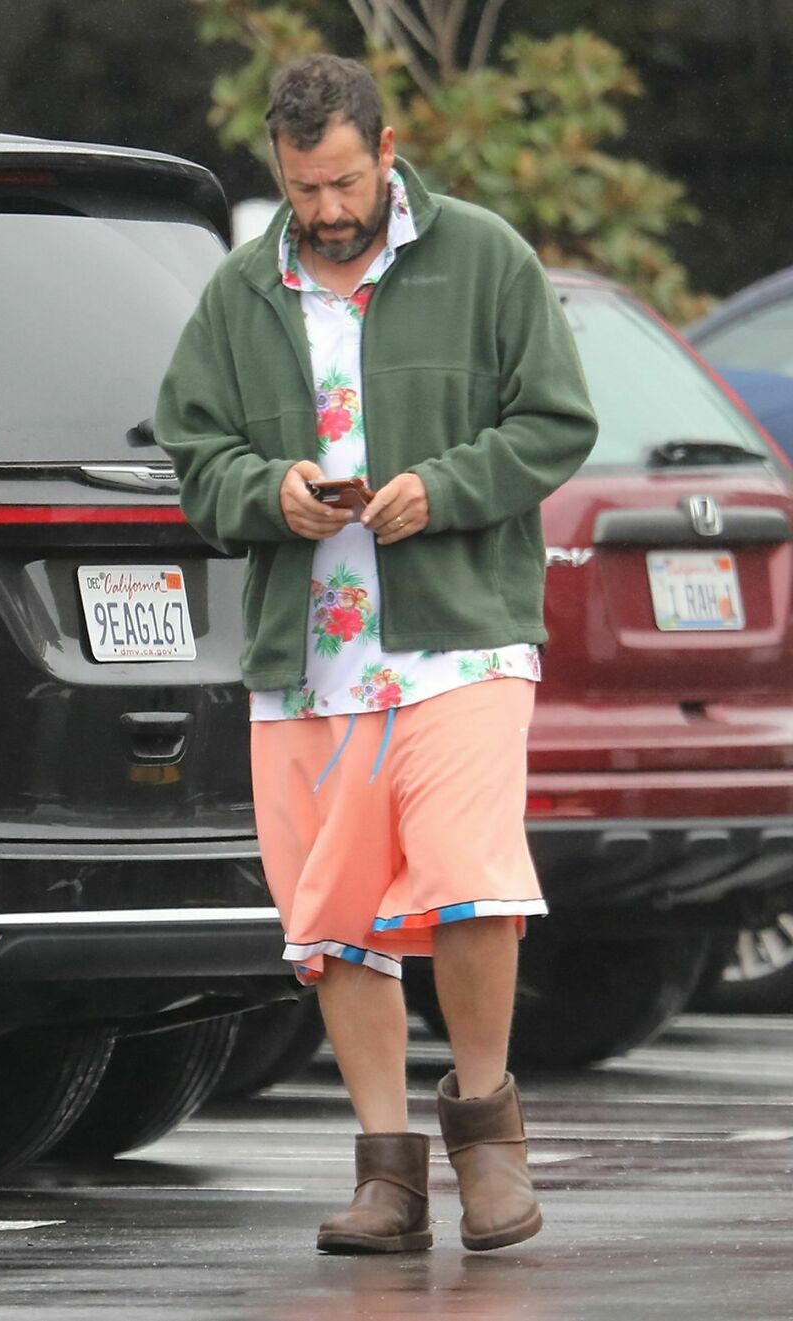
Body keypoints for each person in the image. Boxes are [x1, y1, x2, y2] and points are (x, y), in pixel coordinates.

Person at [155, 53, 597, 1255]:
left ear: (386, 150)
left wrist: (445, 487)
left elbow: (557, 420)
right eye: (304, 189)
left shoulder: (486, 257)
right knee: (333, 919)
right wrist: (269, 492)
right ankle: (387, 1177)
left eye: (345, 182)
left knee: (470, 882)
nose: (327, 209)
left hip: (462, 639)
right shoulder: (240, 292)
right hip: (306, 660)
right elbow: (194, 456)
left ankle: (489, 1145)